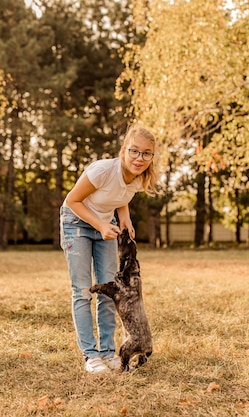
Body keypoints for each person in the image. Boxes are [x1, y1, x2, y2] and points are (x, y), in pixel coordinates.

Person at [59, 123, 159, 373]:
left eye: (146, 153)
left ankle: (107, 350)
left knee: (110, 290)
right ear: (124, 149)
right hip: (76, 222)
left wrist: (125, 218)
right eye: (134, 151)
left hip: (105, 224)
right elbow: (72, 200)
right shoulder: (103, 170)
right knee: (82, 291)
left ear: (151, 156)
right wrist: (101, 225)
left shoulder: (139, 177)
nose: (139, 158)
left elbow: (120, 197)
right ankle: (91, 355)